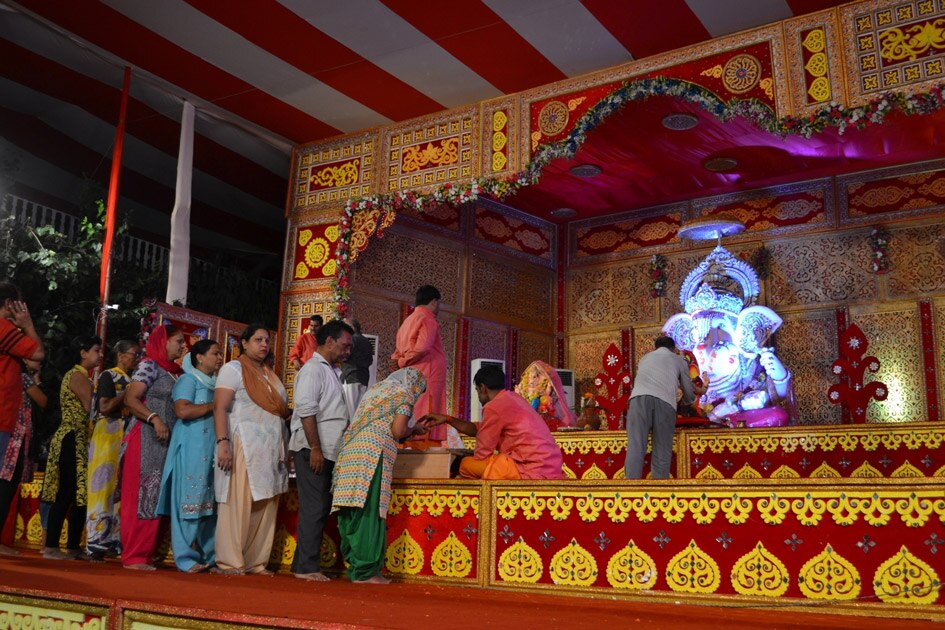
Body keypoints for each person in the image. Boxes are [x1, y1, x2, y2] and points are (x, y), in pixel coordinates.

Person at [331, 368, 427, 584]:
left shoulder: (376, 391)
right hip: (372, 455)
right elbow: (397, 431)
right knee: (370, 509)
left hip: (349, 453)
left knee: (351, 507)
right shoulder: (405, 394)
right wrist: (414, 429)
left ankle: (356, 565)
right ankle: (367, 572)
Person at [214, 324, 289, 575]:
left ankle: (255, 561)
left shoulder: (269, 373)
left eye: (267, 340)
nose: (264, 344)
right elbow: (220, 408)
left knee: (266, 503)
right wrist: (222, 442)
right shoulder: (233, 369)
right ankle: (230, 561)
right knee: (238, 503)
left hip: (270, 448)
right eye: (258, 340)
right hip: (243, 442)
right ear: (244, 343)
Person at [290, 319, 353, 582]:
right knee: (315, 507)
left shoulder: (330, 370)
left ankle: (303, 564)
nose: (347, 351)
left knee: (320, 506)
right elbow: (306, 410)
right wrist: (315, 447)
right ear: (329, 342)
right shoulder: (313, 369)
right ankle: (306, 567)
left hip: (326, 448)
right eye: (345, 345)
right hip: (312, 448)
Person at [422, 365, 564, 480]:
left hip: (530, 469)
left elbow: (481, 454)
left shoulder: (494, 407)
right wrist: (448, 419)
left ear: (483, 388)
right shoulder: (513, 398)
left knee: (465, 465)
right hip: (550, 467)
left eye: (477, 390)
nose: (478, 395)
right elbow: (480, 429)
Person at [122, 324, 186, 570]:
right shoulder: (150, 365)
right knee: (142, 493)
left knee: (157, 493)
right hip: (146, 437)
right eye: (178, 341)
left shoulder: (176, 372)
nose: (183, 346)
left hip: (166, 441)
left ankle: (147, 552)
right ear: (163, 342)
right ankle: (134, 555)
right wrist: (154, 418)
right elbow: (131, 398)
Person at [157, 339, 223, 573]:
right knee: (191, 501)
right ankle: (185, 558)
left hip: (210, 449)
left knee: (209, 505)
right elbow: (183, 410)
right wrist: (214, 405)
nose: (219, 358)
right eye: (215, 354)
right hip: (191, 449)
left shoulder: (216, 384)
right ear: (199, 358)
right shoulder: (188, 379)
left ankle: (210, 556)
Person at [41, 335, 101, 559]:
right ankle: (52, 547)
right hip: (72, 437)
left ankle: (73, 546)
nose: (99, 354)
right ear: (83, 353)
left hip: (77, 438)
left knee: (78, 493)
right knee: (67, 491)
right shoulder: (78, 375)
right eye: (95, 350)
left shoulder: (82, 375)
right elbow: (91, 408)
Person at [0, 282, 45, 556]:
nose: (21, 310)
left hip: (7, 415)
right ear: (8, 304)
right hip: (2, 414)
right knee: (2, 480)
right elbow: (38, 354)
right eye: (18, 304)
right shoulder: (4, 329)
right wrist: (27, 324)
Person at [85, 339, 139, 561]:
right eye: (133, 354)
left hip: (123, 435)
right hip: (107, 434)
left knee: (118, 489)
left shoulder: (133, 379)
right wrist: (126, 395)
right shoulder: (110, 375)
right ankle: (95, 541)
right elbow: (105, 406)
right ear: (121, 355)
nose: (135, 359)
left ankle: (114, 540)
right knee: (102, 486)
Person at [624, 336, 705, 480]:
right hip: (664, 402)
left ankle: (630, 490)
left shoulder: (645, 358)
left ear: (655, 348)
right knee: (661, 449)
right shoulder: (679, 360)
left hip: (637, 401)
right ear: (673, 349)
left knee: (636, 446)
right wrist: (690, 399)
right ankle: (659, 491)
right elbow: (687, 389)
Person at [391, 285, 447, 442]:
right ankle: (424, 441)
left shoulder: (408, 320)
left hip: (412, 374)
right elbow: (423, 348)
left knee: (413, 406)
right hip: (427, 373)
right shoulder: (428, 319)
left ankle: (409, 437)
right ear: (435, 301)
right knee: (427, 408)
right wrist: (402, 361)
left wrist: (398, 360)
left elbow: (398, 350)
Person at [514, 360, 577, 430]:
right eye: (530, 377)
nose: (531, 380)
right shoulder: (524, 387)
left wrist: (548, 389)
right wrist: (518, 394)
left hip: (541, 418)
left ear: (539, 377)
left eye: (534, 377)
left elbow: (548, 399)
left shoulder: (544, 387)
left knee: (536, 401)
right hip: (526, 420)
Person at [341, 318, 373, 419]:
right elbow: (370, 360)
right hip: (363, 377)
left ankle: (351, 433)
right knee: (359, 411)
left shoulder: (351, 339)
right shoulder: (367, 341)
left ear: (352, 328)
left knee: (350, 411)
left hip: (351, 376)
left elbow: (346, 355)